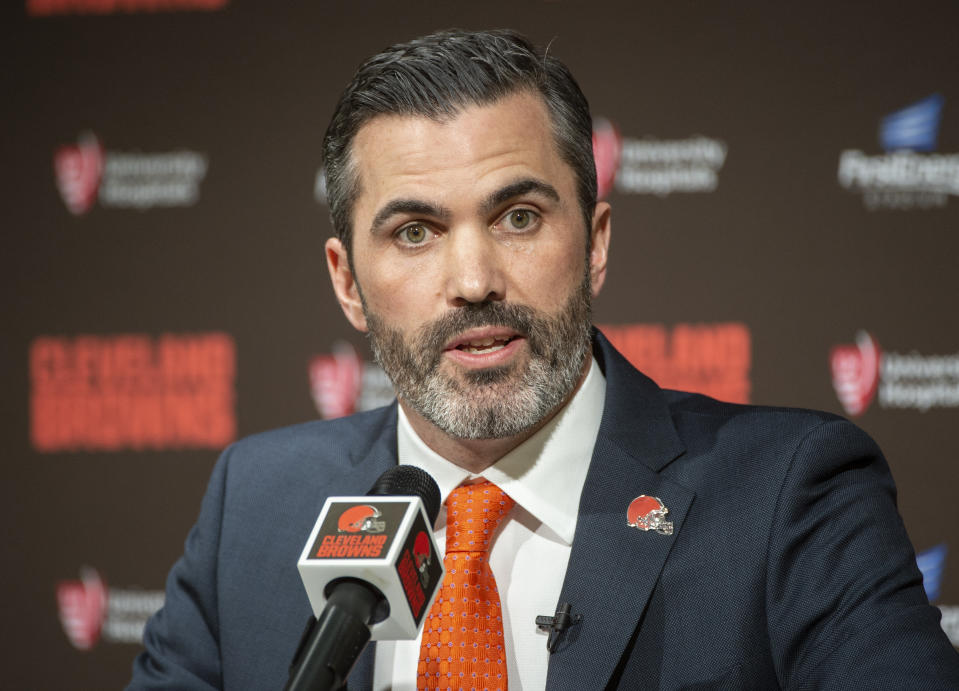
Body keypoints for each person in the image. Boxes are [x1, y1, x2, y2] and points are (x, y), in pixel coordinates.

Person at [129, 29, 959, 690]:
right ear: (347, 282)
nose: (473, 280)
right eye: (413, 232)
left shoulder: (788, 495)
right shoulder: (257, 504)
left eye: (518, 217)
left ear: (594, 243)